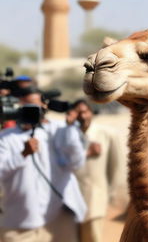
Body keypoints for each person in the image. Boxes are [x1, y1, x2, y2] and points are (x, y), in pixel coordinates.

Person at [0, 87, 86, 242]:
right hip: (20, 224)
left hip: (58, 219)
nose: (30, 110)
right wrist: (22, 155)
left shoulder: (59, 130)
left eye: (35, 105)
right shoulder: (5, 138)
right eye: (25, 106)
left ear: (44, 107)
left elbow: (75, 163)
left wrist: (70, 127)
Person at [70, 99, 126, 242]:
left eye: (85, 112)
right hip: (69, 202)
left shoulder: (107, 134)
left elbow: (116, 168)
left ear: (91, 113)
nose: (82, 116)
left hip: (95, 200)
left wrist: (112, 195)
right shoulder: (66, 136)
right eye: (77, 112)